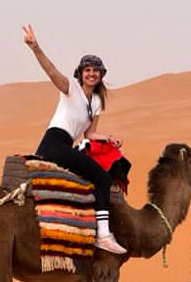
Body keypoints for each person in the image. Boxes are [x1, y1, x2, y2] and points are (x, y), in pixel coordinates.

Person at [22, 24, 127, 255]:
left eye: (95, 71)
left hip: (65, 145)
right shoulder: (70, 89)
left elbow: (90, 134)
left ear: (101, 75)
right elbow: (51, 71)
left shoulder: (97, 102)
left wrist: (109, 138)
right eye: (87, 70)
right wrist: (36, 48)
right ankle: (103, 235)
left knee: (88, 178)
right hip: (54, 143)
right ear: (80, 73)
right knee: (101, 178)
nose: (91, 74)